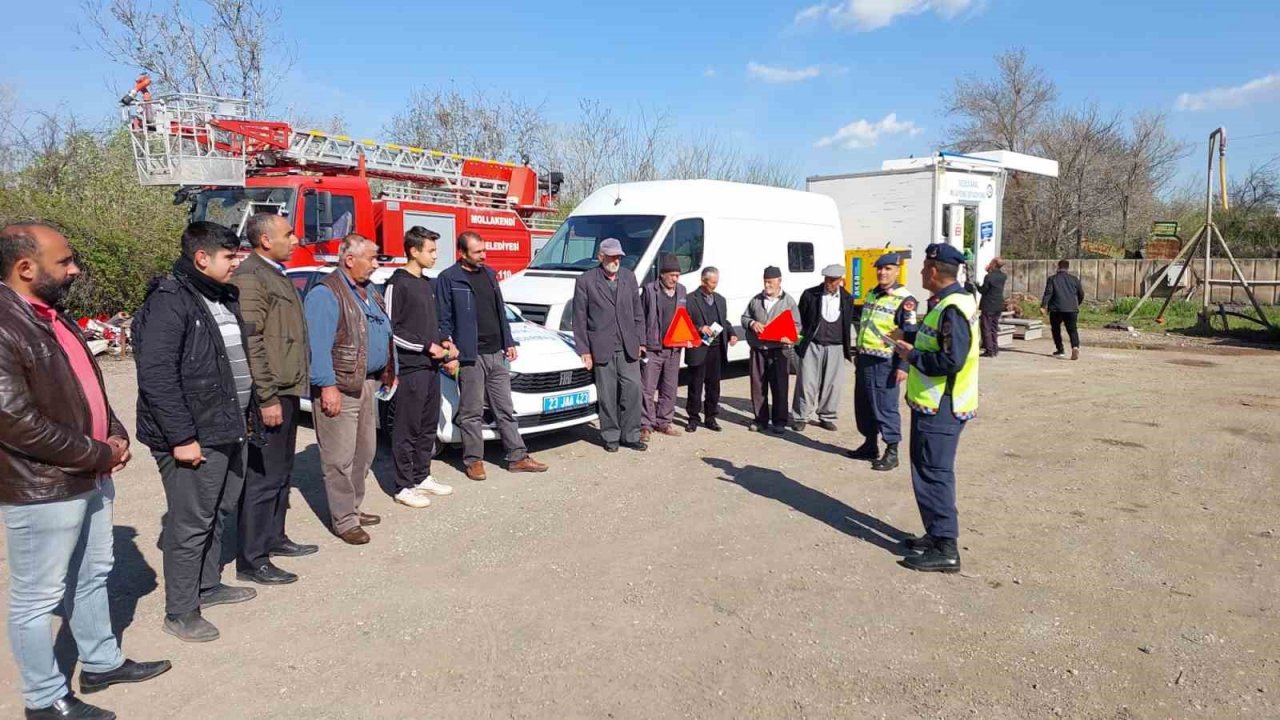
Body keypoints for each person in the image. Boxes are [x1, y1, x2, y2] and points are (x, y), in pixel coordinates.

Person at [0, 222, 170, 719]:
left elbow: (86, 384)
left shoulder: (50, 314)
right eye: (65, 261)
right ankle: (44, 698)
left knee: (94, 572)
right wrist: (99, 453)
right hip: (44, 486)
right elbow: (14, 421)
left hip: (89, 473)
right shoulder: (6, 324)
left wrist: (113, 432)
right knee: (37, 598)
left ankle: (100, 663)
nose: (74, 269)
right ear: (25, 267)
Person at [134, 222, 261, 642]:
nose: (236, 263)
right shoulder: (170, 302)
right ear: (201, 258)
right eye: (229, 256)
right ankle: (181, 611)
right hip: (194, 435)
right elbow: (157, 378)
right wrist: (180, 438)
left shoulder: (222, 296)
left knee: (218, 510)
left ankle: (208, 586)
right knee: (190, 522)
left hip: (225, 425)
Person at [229, 213, 318, 587]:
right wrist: (265, 397)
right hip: (271, 393)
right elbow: (252, 341)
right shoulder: (251, 277)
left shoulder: (275, 272)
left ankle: (275, 537)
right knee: (262, 477)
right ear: (265, 240)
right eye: (289, 234)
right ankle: (252, 558)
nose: (296, 239)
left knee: (281, 473)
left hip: (287, 388)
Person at [891, 243, 979, 573]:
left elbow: (950, 359)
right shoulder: (951, 301)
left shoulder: (952, 308)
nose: (920, 273)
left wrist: (910, 355)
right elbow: (936, 339)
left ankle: (946, 547)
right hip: (935, 404)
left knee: (934, 473)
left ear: (932, 271)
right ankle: (935, 533)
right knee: (926, 470)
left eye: (924, 267)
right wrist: (910, 335)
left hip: (942, 406)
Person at [304, 234, 394, 545]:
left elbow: (381, 332)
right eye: (371, 258)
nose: (376, 264)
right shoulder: (326, 294)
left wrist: (387, 370)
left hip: (366, 383)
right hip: (340, 386)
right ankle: (343, 520)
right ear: (349, 259)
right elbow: (317, 346)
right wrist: (326, 386)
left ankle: (353, 507)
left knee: (364, 451)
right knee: (338, 457)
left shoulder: (369, 291)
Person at [436, 232, 548, 481]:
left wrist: (508, 342)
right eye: (477, 252)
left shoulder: (489, 274)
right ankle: (474, 460)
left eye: (483, 250)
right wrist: (448, 351)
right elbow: (443, 318)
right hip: (470, 356)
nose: (483, 255)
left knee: (505, 408)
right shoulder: (449, 279)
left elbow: (499, 310)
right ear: (462, 253)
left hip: (497, 353)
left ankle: (517, 457)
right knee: (471, 411)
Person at [385, 227, 458, 508]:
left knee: (428, 425)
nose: (435, 256)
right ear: (414, 251)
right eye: (430, 251)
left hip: (432, 368)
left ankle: (422, 475)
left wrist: (445, 343)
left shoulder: (428, 284)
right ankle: (403, 485)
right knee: (407, 427)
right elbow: (392, 329)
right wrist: (426, 346)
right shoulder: (397, 283)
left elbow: (435, 324)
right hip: (411, 368)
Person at [572, 238, 647, 452]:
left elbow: (638, 312)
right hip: (601, 348)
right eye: (612, 256)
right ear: (601, 257)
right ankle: (611, 436)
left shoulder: (629, 278)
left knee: (633, 391)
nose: (616, 260)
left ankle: (631, 435)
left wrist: (641, 341)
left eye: (619, 257)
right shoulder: (585, 281)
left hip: (628, 346)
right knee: (607, 395)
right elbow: (579, 319)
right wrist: (584, 351)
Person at [848, 253, 917, 471]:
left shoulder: (905, 300)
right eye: (880, 269)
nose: (882, 273)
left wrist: (903, 366)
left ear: (897, 270)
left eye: (888, 269)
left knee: (885, 406)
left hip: (886, 362)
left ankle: (892, 450)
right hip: (865, 357)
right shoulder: (872, 293)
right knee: (864, 404)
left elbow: (910, 335)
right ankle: (870, 444)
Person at [791, 264, 854, 433]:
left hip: (836, 346)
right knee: (806, 382)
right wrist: (798, 344)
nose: (829, 283)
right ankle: (801, 416)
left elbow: (847, 323)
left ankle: (827, 416)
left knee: (832, 385)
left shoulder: (847, 298)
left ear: (840, 280)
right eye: (827, 279)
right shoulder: (810, 295)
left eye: (833, 280)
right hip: (813, 344)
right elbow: (800, 321)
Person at [741, 266, 801, 435]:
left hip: (779, 350)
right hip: (758, 349)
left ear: (779, 281)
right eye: (765, 281)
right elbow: (744, 317)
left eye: (770, 282)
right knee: (758, 386)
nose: (767, 285)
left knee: (780, 386)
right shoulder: (756, 300)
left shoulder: (788, 302)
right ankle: (760, 420)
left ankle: (779, 421)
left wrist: (789, 336)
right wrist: (752, 323)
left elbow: (797, 325)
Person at [640, 254, 688, 441]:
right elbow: (641, 318)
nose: (675, 279)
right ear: (662, 275)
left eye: (677, 275)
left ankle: (664, 422)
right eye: (672, 275)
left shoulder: (682, 291)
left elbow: (684, 318)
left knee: (669, 388)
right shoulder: (649, 291)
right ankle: (645, 424)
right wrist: (641, 343)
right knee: (647, 388)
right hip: (653, 348)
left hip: (674, 349)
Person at [684, 267, 738, 433]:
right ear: (703, 280)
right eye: (711, 283)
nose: (714, 286)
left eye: (716, 282)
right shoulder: (690, 299)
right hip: (699, 347)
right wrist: (699, 327)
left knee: (714, 385)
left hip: (716, 349)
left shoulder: (720, 300)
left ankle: (710, 417)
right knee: (695, 385)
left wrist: (732, 333)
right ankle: (693, 418)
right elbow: (684, 323)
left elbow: (724, 321)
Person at [1041, 259, 1085, 360]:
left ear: (1058, 267)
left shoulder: (1052, 279)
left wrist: (1043, 306)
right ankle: (1075, 347)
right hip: (1071, 309)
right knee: (1072, 329)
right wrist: (1076, 303)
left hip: (1056, 309)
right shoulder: (1074, 279)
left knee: (1056, 329)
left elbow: (1048, 293)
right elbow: (1081, 294)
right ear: (1068, 268)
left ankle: (1060, 350)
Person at [977, 257, 1007, 358]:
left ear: (993, 264)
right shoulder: (1003, 276)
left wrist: (977, 286)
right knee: (994, 327)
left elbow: (984, 290)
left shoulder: (988, 277)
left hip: (988, 305)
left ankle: (989, 350)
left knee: (986, 327)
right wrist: (989, 271)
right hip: (998, 304)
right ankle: (995, 348)